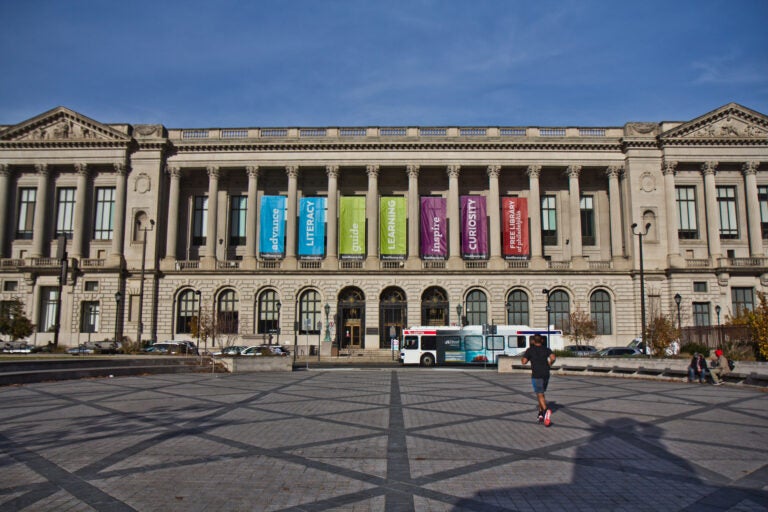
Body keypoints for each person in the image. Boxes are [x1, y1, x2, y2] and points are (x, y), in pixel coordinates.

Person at [521, 334, 556, 426]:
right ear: (542, 340)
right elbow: (553, 358)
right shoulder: (546, 349)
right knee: (541, 394)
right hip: (546, 374)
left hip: (536, 374)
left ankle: (546, 411)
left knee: (539, 394)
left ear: (533, 341)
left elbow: (524, 362)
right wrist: (549, 364)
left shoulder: (530, 350)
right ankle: (540, 414)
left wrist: (524, 358)